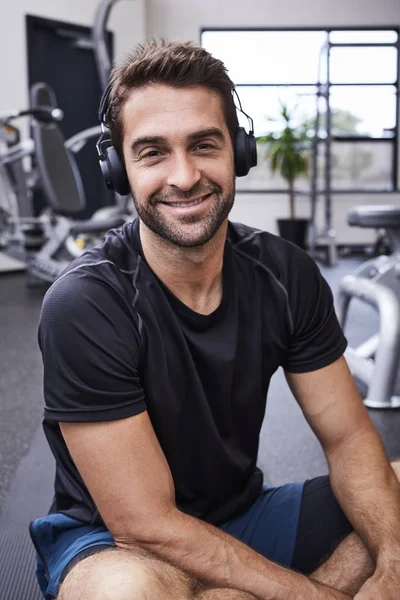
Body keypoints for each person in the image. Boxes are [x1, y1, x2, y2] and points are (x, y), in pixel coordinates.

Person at [29, 39, 400, 600]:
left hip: (245, 515)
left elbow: (349, 438)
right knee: (125, 593)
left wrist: (394, 565)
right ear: (119, 168)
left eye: (204, 145)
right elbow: (145, 523)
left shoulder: (286, 273)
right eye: (152, 152)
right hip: (114, 541)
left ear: (239, 152)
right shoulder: (85, 303)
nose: (183, 176)